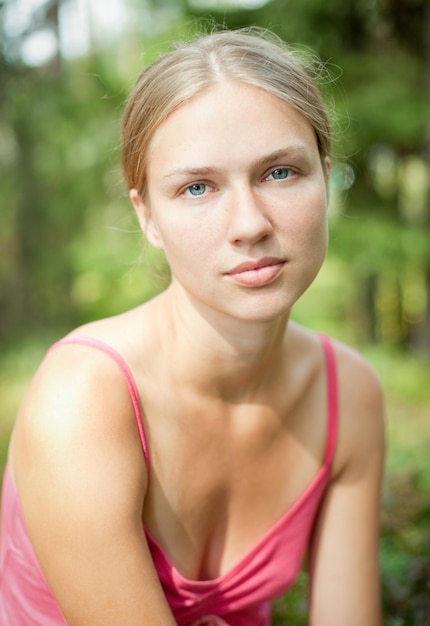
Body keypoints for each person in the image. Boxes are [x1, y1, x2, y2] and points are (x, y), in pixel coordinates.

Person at [0, 28, 385, 626]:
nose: (249, 224)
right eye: (197, 187)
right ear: (147, 215)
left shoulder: (349, 393)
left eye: (280, 173)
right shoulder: (83, 399)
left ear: (326, 175)